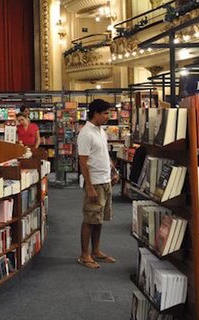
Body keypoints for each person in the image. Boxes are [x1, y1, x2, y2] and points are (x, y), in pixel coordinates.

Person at [77, 99, 120, 269]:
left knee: (99, 219)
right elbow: (83, 162)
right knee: (89, 218)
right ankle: (84, 254)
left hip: (105, 180)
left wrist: (113, 171)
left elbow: (103, 154)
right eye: (105, 113)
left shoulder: (101, 131)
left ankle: (95, 250)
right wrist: (89, 186)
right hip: (94, 182)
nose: (108, 116)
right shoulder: (86, 134)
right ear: (95, 113)